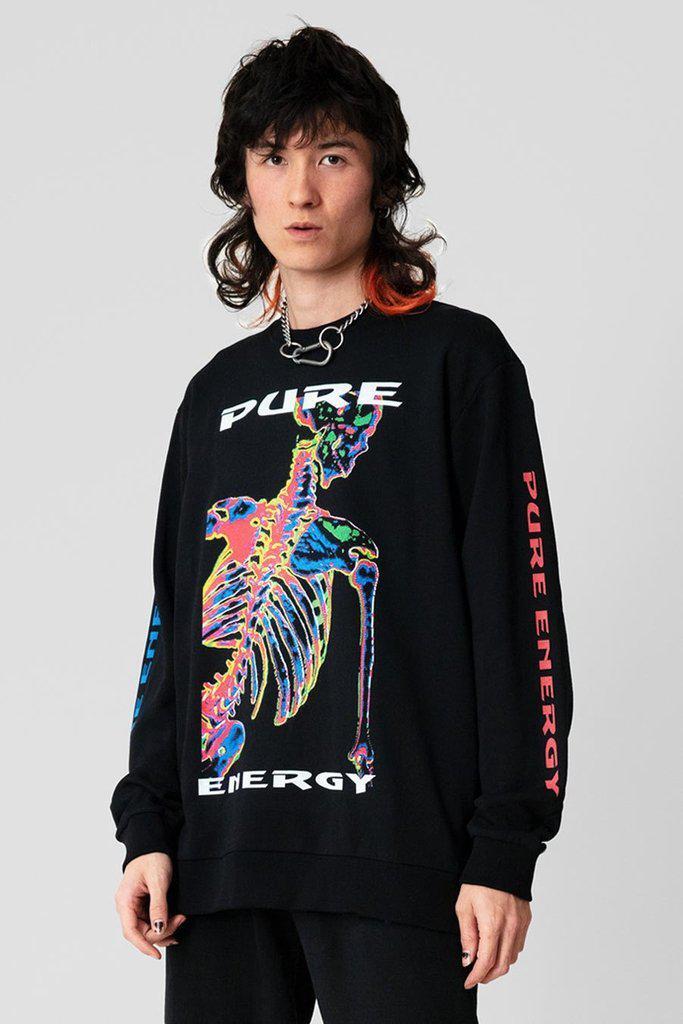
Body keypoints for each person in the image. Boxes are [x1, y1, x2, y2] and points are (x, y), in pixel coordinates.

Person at [110, 24, 573, 1024]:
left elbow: (519, 604)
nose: (301, 191)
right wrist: (147, 821)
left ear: (379, 175)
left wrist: (505, 844)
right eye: (272, 157)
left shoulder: (458, 362)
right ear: (242, 181)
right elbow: (172, 622)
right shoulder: (215, 393)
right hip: (220, 861)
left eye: (331, 156)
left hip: (396, 854)